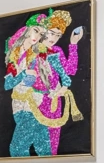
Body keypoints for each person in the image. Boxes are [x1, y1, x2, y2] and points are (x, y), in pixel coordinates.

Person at [33, 9, 85, 155]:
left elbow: (70, 70)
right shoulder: (33, 51)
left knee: (53, 140)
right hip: (36, 99)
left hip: (55, 100)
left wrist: (73, 44)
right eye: (51, 33)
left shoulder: (56, 51)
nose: (54, 38)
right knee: (36, 138)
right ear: (44, 31)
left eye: (58, 35)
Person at [3, 13, 51, 156]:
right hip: (19, 105)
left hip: (33, 106)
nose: (37, 36)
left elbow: (46, 80)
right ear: (27, 29)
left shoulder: (37, 55)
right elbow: (7, 84)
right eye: (36, 30)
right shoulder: (14, 54)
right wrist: (24, 74)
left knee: (21, 148)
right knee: (40, 146)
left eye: (41, 34)